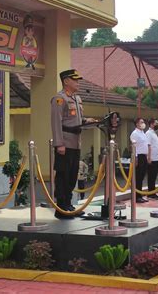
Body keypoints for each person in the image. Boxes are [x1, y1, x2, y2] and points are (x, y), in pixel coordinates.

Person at [51, 69, 96, 219]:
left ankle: (69, 205)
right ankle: (61, 208)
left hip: (76, 143)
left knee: (72, 176)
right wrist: (59, 144)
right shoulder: (59, 98)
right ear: (65, 81)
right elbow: (56, 122)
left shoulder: (77, 99)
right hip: (65, 142)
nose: (78, 82)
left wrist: (87, 121)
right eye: (74, 80)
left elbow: (77, 120)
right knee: (63, 176)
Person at [130, 117, 150, 203]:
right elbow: (134, 147)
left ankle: (139, 195)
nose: (143, 123)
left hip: (144, 156)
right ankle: (137, 196)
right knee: (138, 177)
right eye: (141, 122)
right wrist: (136, 158)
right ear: (137, 124)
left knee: (141, 177)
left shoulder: (143, 133)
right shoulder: (135, 133)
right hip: (139, 156)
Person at [145, 118, 158, 199]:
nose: (157, 125)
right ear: (151, 124)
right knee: (151, 176)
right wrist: (149, 157)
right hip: (152, 158)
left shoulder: (154, 133)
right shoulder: (148, 133)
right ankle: (150, 193)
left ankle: (153, 192)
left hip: (156, 158)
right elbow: (148, 145)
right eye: (156, 123)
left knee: (154, 176)